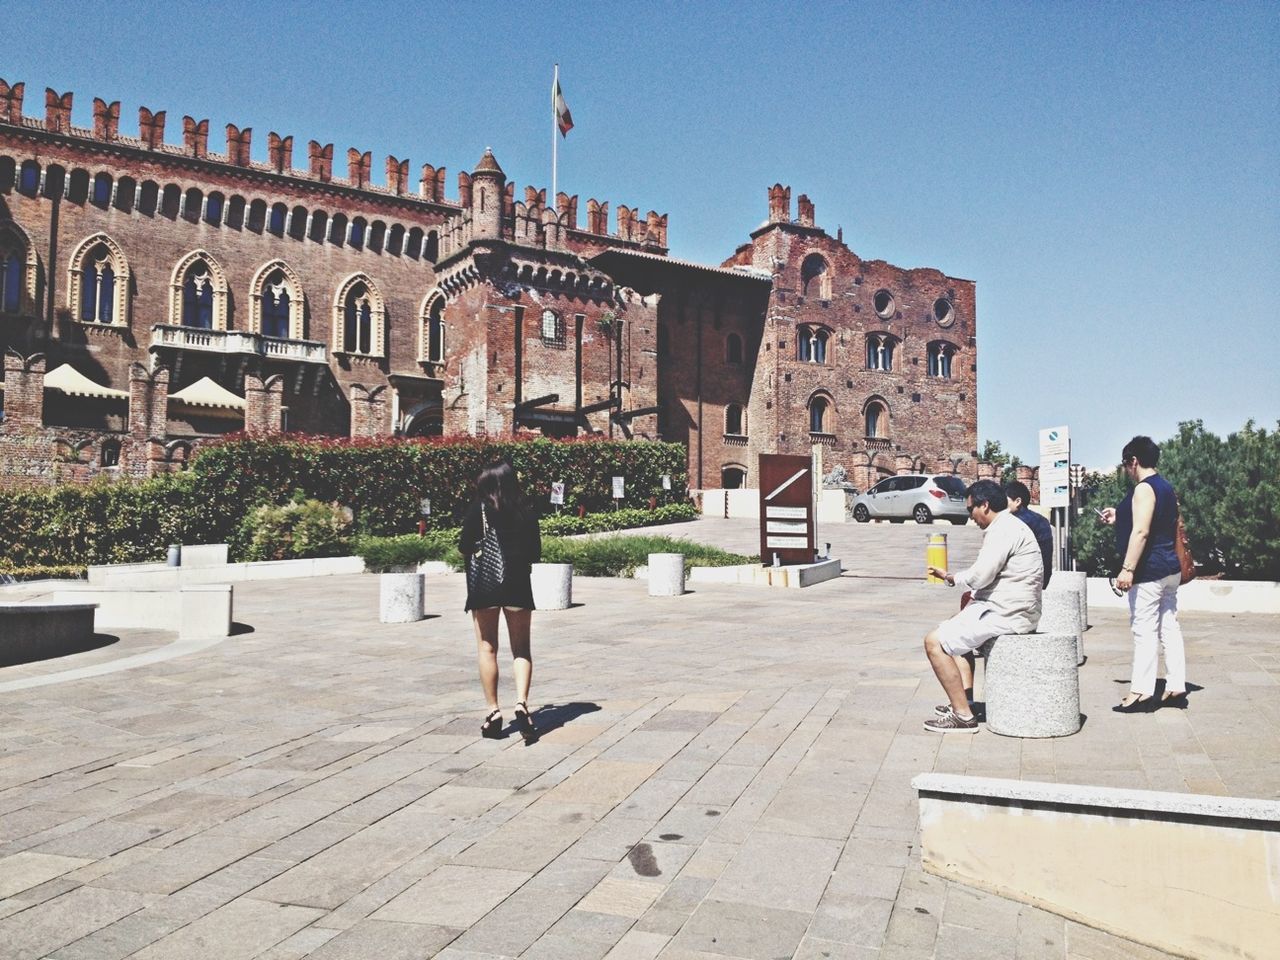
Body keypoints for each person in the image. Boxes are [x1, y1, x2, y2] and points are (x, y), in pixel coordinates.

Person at [922, 479, 1043, 732]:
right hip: (1010, 608)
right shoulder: (1009, 526)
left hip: (1007, 613)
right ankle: (963, 701)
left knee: (934, 642)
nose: (970, 517)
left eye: (971, 510)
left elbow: (981, 575)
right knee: (954, 630)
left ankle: (963, 716)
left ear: (984, 505)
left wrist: (952, 578)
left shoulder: (1004, 530)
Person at [1098, 435, 1187, 712]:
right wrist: (1118, 516)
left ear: (1133, 461)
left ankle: (1140, 692)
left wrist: (1127, 570)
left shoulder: (1144, 488)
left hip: (1150, 571)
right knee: (1169, 625)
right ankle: (1175, 685)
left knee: (1144, 630)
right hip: (1170, 568)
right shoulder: (1166, 487)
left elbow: (1142, 531)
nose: (1126, 470)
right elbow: (1152, 522)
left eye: (1126, 465)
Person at [458, 460, 542, 743]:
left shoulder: (477, 511)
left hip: (485, 587)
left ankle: (493, 710)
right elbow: (535, 553)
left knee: (487, 648)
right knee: (521, 649)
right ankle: (521, 703)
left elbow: (464, 548)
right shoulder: (526, 512)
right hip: (517, 583)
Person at [1005, 480, 1053, 587]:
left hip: (1018, 582)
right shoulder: (1043, 521)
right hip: (1040, 580)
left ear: (1017, 501)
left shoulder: (1013, 522)